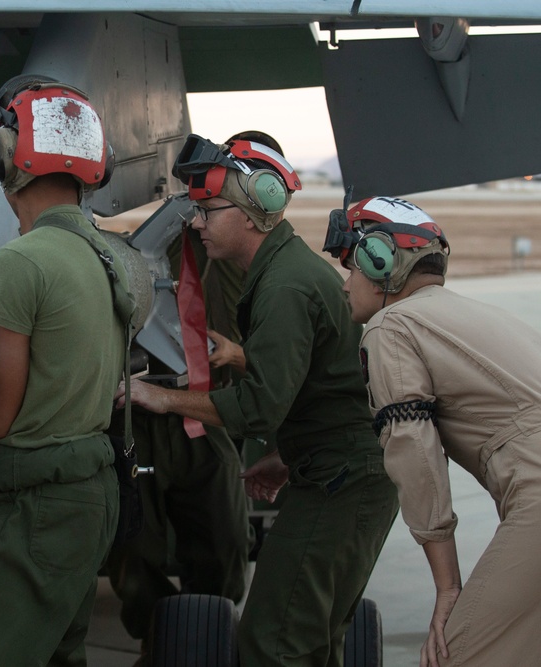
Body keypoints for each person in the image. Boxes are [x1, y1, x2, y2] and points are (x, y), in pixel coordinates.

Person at [121, 134, 399, 666]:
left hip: (339, 483)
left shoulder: (284, 288)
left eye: (208, 211)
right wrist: (292, 455)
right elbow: (323, 384)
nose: (196, 224)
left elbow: (258, 408)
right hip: (337, 470)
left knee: (274, 643)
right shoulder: (286, 272)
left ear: (253, 212)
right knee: (314, 641)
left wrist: (162, 399)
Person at [0, 75, 132, 666]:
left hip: (27, 506)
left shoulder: (19, 262)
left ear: (3, 158)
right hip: (90, 497)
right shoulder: (109, 255)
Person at [329, 195, 541, 667]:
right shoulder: (475, 314)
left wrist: (448, 589)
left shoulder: (392, 326)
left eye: (352, 269)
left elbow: (414, 453)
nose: (346, 286)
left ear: (381, 262)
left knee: (458, 654)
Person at [105, 132, 284, 658]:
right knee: (131, 552)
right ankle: (163, 642)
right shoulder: (171, 238)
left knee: (224, 546)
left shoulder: (244, 261)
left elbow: (278, 355)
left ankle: (208, 637)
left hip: (207, 416)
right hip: (138, 417)